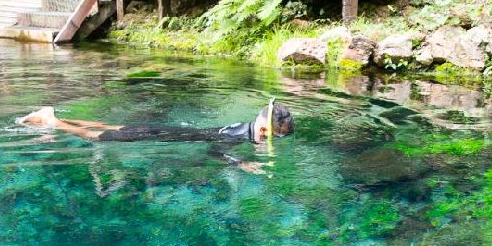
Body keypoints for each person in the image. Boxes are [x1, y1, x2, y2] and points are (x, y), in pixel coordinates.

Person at [17, 98, 294, 143]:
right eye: (269, 136)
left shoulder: (242, 128)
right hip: (162, 135)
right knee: (101, 137)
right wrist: (241, 163)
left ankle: (53, 115)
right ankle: (52, 121)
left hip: (166, 130)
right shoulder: (238, 137)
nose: (267, 141)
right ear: (262, 128)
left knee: (112, 127)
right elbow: (215, 150)